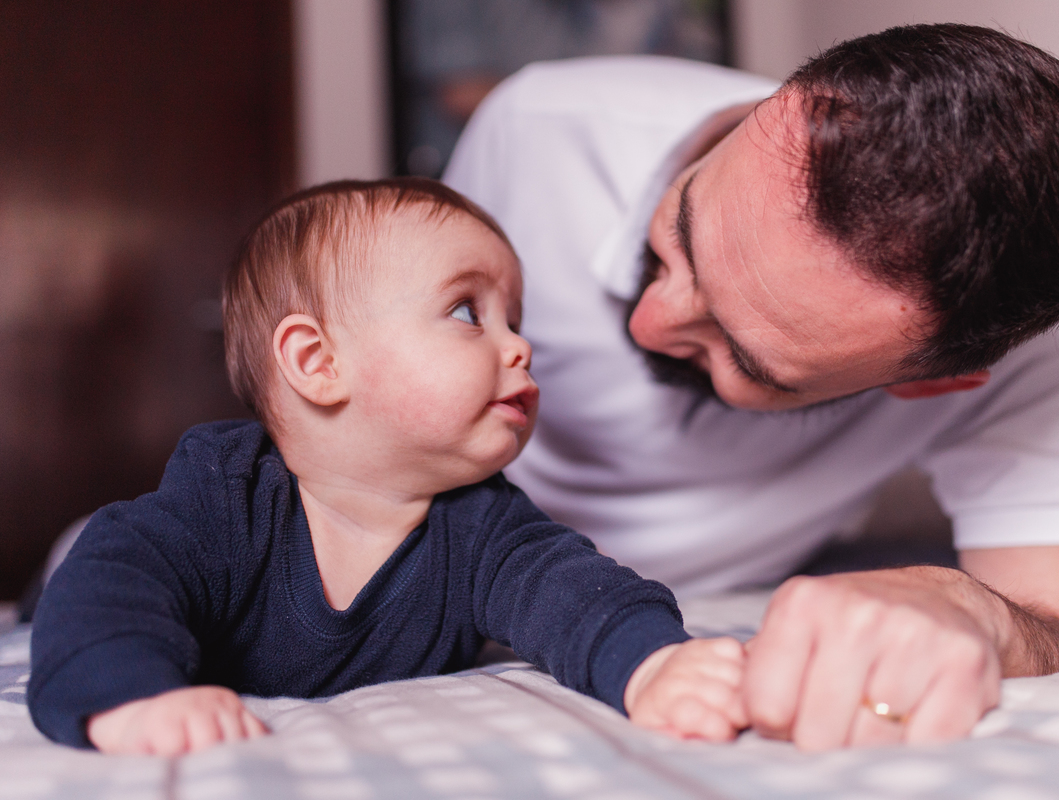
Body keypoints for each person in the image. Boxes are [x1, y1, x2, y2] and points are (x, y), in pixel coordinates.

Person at [443, 23, 1059, 749]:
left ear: (934, 385)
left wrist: (978, 611)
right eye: (677, 233)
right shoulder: (537, 133)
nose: (652, 323)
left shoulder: (1051, 343)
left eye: (745, 361)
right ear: (774, 104)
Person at [28, 178, 748, 755]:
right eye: (469, 314)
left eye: (515, 320)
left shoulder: (484, 524)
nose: (520, 347)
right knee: (83, 554)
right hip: (89, 547)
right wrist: (131, 698)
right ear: (318, 363)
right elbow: (111, 588)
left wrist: (653, 665)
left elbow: (574, 595)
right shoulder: (224, 496)